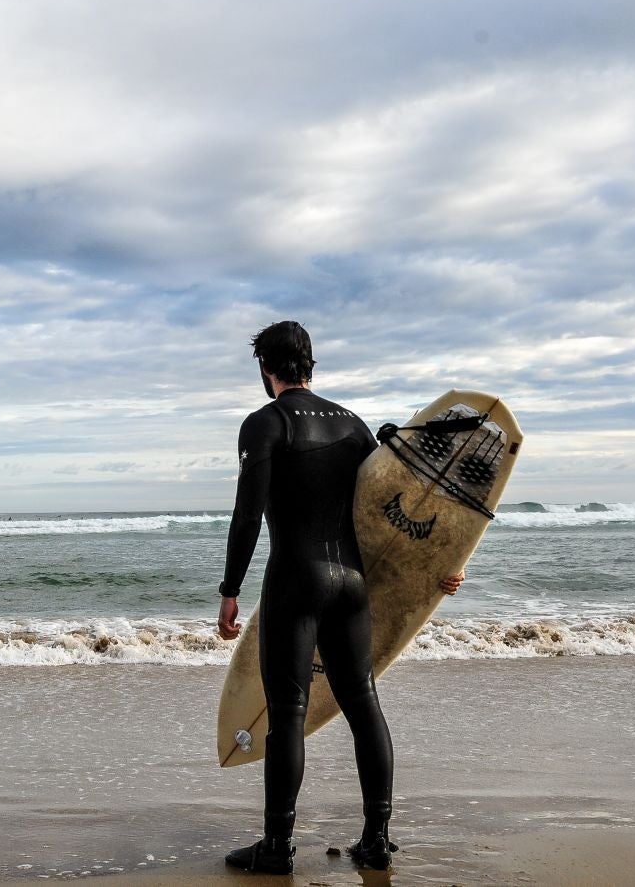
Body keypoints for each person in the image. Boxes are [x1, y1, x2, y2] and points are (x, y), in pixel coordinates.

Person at [215, 321, 463, 874]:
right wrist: (436, 573)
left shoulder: (265, 424)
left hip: (296, 583)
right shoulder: (352, 427)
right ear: (311, 365)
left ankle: (277, 848)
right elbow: (390, 517)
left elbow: (248, 514)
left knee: (287, 714)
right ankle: (376, 839)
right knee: (363, 703)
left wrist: (230, 592)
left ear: (265, 369)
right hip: (351, 586)